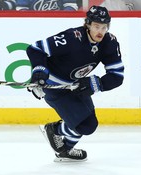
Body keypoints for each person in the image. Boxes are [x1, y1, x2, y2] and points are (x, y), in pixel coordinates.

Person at [26, 5, 124, 162]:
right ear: (88, 24)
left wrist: (94, 84)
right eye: (96, 26)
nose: (100, 31)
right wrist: (39, 72)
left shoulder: (109, 43)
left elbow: (117, 75)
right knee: (86, 126)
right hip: (54, 87)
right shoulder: (72, 37)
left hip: (76, 85)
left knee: (89, 123)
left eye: (104, 27)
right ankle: (55, 131)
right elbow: (35, 49)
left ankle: (64, 149)